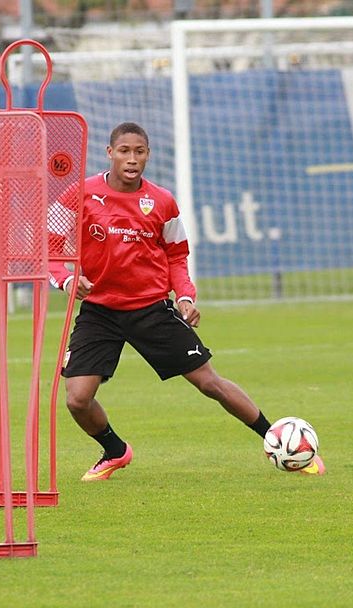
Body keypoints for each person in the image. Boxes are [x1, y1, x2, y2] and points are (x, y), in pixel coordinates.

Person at [48, 122, 325, 481]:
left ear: (148, 154)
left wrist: (185, 296)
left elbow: (177, 256)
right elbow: (48, 245)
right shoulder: (78, 194)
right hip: (100, 311)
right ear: (109, 153)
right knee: (77, 399)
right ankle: (116, 451)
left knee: (210, 384)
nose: (132, 159)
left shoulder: (162, 201)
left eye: (140, 151)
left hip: (151, 308)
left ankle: (279, 441)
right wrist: (67, 279)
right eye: (124, 151)